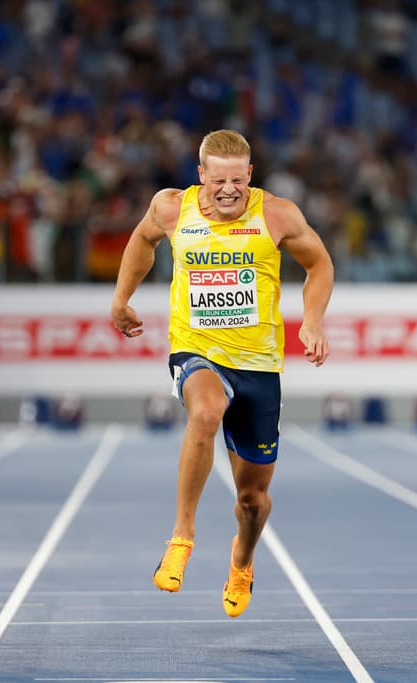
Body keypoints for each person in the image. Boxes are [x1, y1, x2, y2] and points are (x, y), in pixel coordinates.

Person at [111, 129, 333, 617]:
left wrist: (312, 322)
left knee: (253, 500)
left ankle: (242, 558)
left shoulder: (276, 214)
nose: (228, 190)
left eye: (238, 180)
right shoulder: (173, 208)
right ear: (201, 176)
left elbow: (319, 265)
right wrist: (121, 298)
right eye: (218, 181)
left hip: (258, 367)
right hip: (196, 350)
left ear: (250, 176)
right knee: (206, 411)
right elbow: (142, 241)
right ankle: (182, 537)